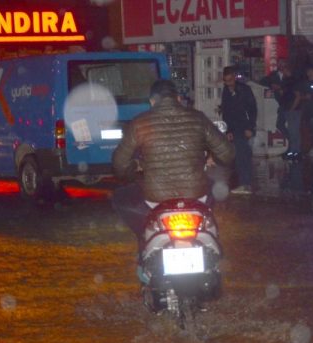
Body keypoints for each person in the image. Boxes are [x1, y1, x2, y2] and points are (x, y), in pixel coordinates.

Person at [111, 79, 234, 244]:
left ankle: (144, 239)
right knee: (216, 189)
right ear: (178, 98)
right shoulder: (198, 118)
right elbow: (227, 154)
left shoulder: (139, 123)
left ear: (152, 101)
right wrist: (211, 157)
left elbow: (119, 164)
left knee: (120, 197)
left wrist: (134, 168)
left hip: (156, 198)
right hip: (195, 195)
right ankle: (210, 237)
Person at [218, 66, 257, 194]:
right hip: (233, 128)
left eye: (230, 80)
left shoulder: (244, 90)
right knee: (239, 155)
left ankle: (245, 184)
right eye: (226, 81)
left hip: (244, 127)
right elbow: (226, 111)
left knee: (243, 155)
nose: (228, 83)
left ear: (234, 77)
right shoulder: (226, 91)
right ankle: (244, 183)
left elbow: (252, 110)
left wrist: (250, 127)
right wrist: (228, 130)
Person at [278, 65, 306, 160]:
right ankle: (293, 150)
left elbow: (298, 96)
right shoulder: (286, 81)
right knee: (291, 131)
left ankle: (296, 151)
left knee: (294, 131)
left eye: (284, 69)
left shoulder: (294, 81)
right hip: (288, 109)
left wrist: (292, 108)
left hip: (294, 110)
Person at [258, 62, 288, 142]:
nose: (282, 66)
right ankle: (287, 142)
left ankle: (288, 143)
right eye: (280, 64)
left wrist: (281, 88)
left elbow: (292, 87)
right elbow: (263, 82)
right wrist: (272, 87)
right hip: (276, 104)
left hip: (287, 104)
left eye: (283, 65)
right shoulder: (273, 75)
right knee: (279, 124)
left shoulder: (289, 76)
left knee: (284, 124)